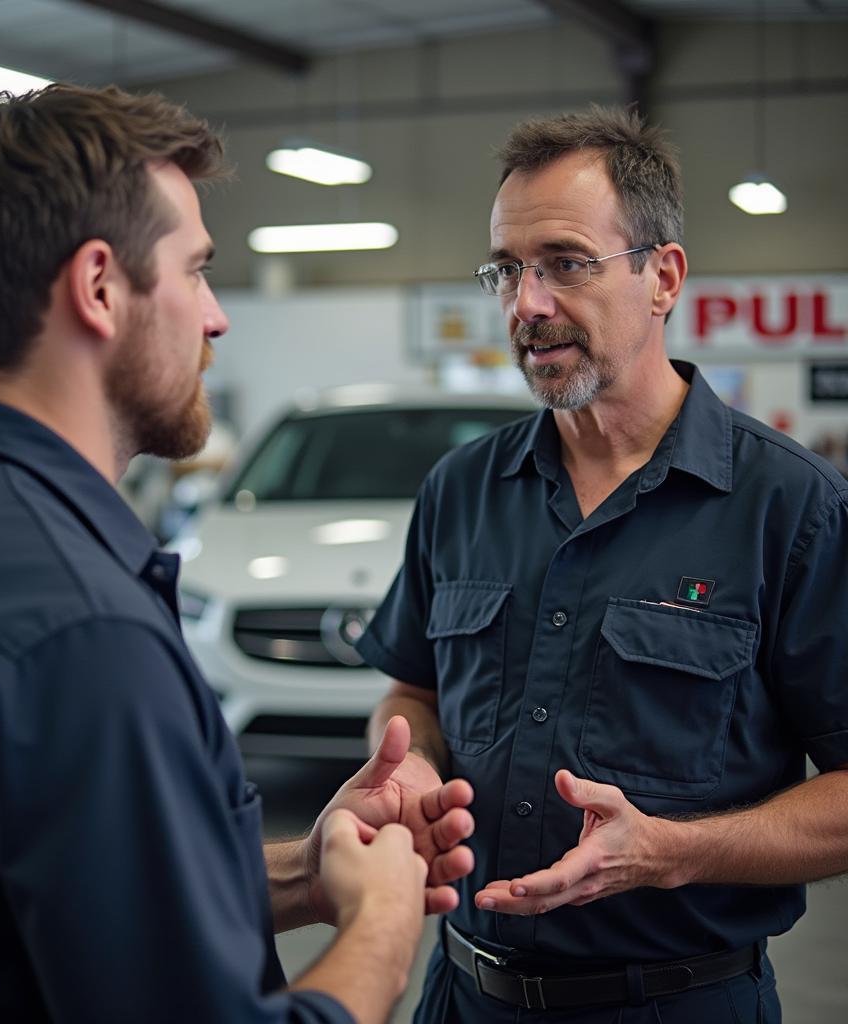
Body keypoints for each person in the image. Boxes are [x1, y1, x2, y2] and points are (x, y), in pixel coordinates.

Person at [0, 84, 476, 1024]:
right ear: (98, 288)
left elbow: (58, 902)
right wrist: (378, 923)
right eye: (196, 271)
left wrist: (309, 865)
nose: (215, 318)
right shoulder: (79, 627)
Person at [358, 105, 848, 1022]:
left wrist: (673, 850)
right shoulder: (462, 489)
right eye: (506, 270)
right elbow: (411, 691)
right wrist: (411, 766)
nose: (526, 305)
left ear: (662, 278)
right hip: (461, 994)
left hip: (678, 1000)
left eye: (566, 264)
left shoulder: (792, 507)